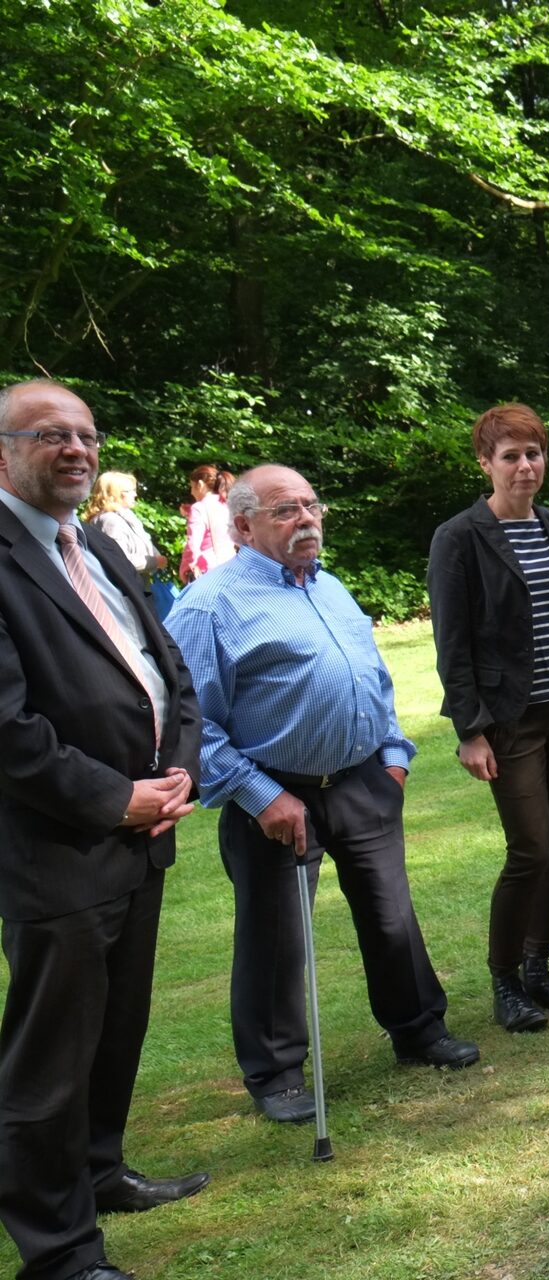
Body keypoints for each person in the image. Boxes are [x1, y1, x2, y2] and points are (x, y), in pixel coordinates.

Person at [167, 465, 478, 1126]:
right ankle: (277, 1074)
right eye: (286, 510)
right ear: (242, 526)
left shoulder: (329, 586)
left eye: (311, 506)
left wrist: (392, 758)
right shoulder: (208, 606)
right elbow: (193, 724)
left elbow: (372, 678)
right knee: (276, 939)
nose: (306, 519)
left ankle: (419, 1029)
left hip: (362, 782)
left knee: (391, 915)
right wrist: (260, 796)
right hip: (275, 797)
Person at [0, 380, 208, 1280]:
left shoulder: (96, 545)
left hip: (140, 838)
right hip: (58, 851)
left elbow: (168, 669)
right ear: (3, 452)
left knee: (117, 1028)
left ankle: (99, 1170)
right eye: (51, 434)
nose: (77, 450)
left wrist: (181, 766)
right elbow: (8, 730)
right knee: (49, 1061)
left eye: (86, 435)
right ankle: (58, 1250)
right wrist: (117, 797)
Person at [428, 404, 549, 1031]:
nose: (525, 467)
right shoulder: (459, 537)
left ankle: (537, 967)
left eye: (534, 454)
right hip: (511, 722)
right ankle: (504, 980)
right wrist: (470, 731)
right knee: (529, 847)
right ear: (486, 463)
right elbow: (452, 643)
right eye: (510, 456)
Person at [83, 471, 174, 622]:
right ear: (116, 494)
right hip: (126, 596)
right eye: (131, 491)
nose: (135, 495)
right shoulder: (110, 521)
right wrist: (154, 562)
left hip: (137, 591)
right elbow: (118, 560)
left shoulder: (125, 518)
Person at [178, 464, 234, 584]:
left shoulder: (199, 508)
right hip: (230, 569)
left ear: (200, 484)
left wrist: (185, 570)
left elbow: (192, 546)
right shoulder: (226, 504)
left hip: (207, 574)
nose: (191, 492)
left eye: (192, 487)